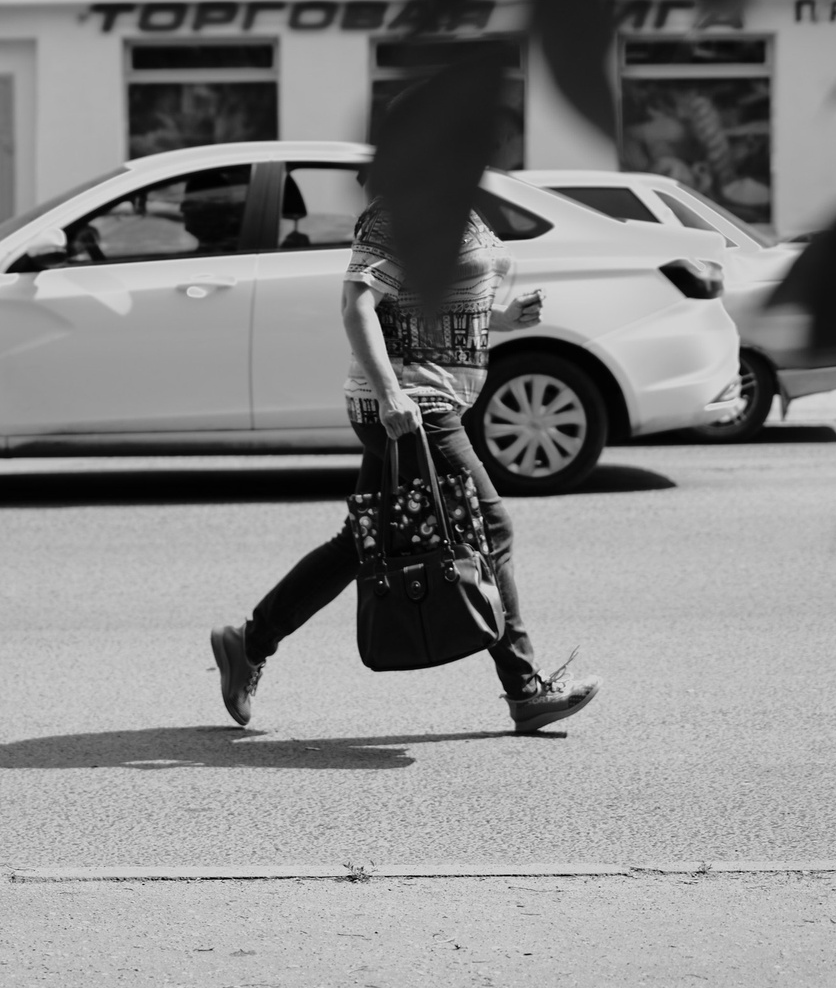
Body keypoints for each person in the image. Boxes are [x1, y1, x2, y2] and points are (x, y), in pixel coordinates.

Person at [209, 180, 601, 735]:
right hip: (412, 406)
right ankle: (525, 689)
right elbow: (357, 304)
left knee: (362, 541)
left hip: (432, 400)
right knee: (489, 527)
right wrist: (391, 395)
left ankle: (249, 643)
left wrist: (504, 317)